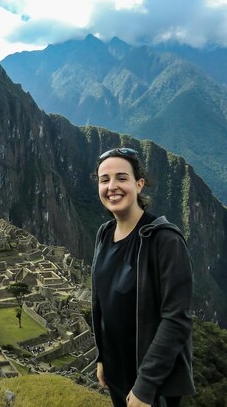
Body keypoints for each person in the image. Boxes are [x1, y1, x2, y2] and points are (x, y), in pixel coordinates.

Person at [91, 147, 195, 407]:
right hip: (116, 372)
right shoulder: (104, 234)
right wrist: (102, 358)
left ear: (139, 184)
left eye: (121, 178)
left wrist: (145, 386)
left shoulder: (164, 240)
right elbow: (102, 304)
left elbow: (176, 319)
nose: (112, 187)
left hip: (151, 382)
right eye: (105, 180)